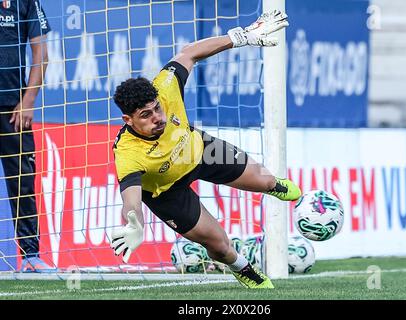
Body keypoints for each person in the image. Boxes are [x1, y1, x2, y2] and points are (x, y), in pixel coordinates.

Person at [111, 10, 300, 288]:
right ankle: (242, 268)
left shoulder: (165, 86)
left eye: (157, 109)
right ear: (128, 120)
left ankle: (272, 185)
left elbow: (189, 53)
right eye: (146, 115)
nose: (157, 118)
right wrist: (134, 225)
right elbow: (131, 201)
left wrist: (241, 37)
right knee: (220, 244)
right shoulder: (127, 153)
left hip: (199, 151)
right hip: (166, 192)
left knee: (266, 180)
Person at [0, 0, 55, 272]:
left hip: (12, 109)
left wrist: (29, 99)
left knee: (22, 182)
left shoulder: (26, 2)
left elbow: (41, 53)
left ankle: (31, 256)